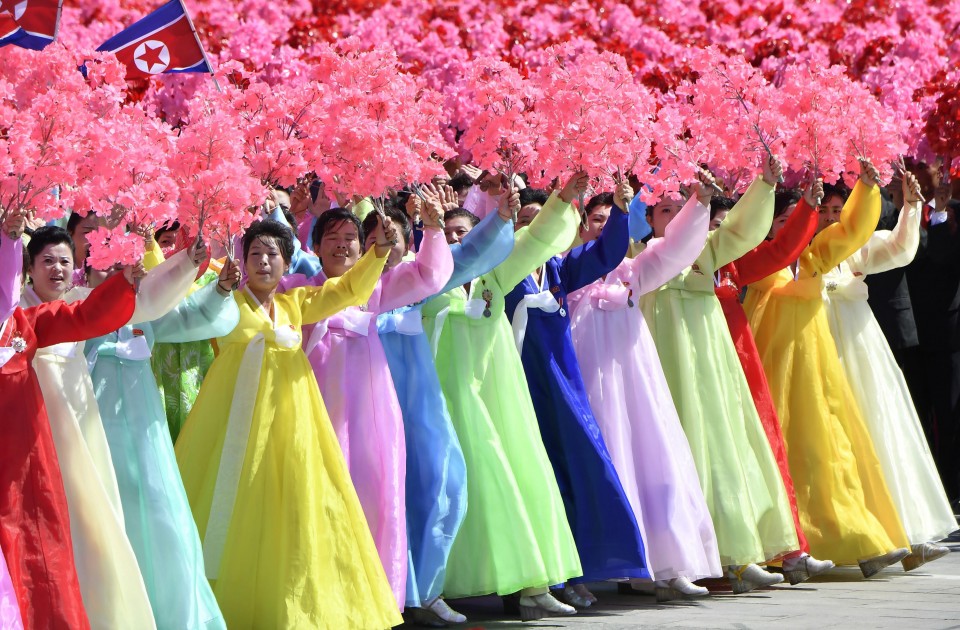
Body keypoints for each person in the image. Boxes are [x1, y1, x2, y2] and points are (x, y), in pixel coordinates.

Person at [175, 220, 401, 629]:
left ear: (286, 262)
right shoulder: (225, 302)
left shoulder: (295, 303)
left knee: (294, 503)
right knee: (233, 500)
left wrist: (379, 253)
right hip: (233, 422)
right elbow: (183, 312)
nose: (263, 262)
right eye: (255, 254)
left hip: (292, 423)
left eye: (272, 255)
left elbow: (348, 290)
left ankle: (287, 603)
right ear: (242, 261)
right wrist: (209, 281)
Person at [422, 175, 585, 621]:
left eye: (465, 232)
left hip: (498, 398)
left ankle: (532, 585)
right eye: (447, 234)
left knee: (520, 483)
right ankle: (434, 589)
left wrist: (562, 199)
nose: (458, 241)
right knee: (451, 492)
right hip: (445, 400)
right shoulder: (425, 281)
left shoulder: (495, 275)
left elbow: (536, 242)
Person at [280, 197, 453, 610]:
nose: (342, 245)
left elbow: (429, 276)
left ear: (364, 248)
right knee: (315, 500)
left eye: (350, 238)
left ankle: (371, 599)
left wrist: (432, 230)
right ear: (315, 246)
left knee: (374, 498)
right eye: (332, 237)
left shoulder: (376, 288)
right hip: (313, 410)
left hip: (370, 417)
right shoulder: (296, 289)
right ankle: (316, 599)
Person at [642, 156, 801, 593]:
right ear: (649, 218)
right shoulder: (639, 255)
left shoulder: (707, 248)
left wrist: (764, 185)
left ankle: (737, 554)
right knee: (673, 450)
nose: (675, 217)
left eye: (681, 208)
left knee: (723, 443)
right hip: (661, 358)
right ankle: (673, 562)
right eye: (665, 210)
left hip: (708, 360)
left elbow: (742, 231)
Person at [746, 159, 912, 577]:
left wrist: (867, 189)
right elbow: (778, 267)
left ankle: (862, 541)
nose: (792, 227)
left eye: (797, 219)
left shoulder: (813, 258)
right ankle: (783, 547)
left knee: (833, 451)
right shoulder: (758, 260)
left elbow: (851, 231)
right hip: (773, 370)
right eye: (783, 220)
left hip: (815, 370)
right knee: (783, 456)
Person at [568, 177, 723, 602]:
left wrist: (699, 202)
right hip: (586, 379)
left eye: (612, 220)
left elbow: (677, 248)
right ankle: (581, 570)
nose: (604, 228)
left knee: (655, 463)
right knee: (594, 467)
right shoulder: (566, 268)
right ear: (580, 226)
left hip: (635, 382)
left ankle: (667, 567)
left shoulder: (634, 269)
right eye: (597, 220)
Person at [504, 181, 648, 608]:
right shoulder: (504, 267)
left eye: (542, 221)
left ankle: (574, 570)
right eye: (525, 222)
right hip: (517, 381)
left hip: (562, 385)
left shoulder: (559, 268)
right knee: (530, 477)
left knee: (578, 469)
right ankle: (533, 578)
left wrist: (619, 210)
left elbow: (606, 253)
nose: (536, 230)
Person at [377, 188, 517, 626]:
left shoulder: (414, 282)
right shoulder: (343, 288)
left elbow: (469, 256)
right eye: (376, 237)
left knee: (442, 481)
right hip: (365, 404)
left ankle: (424, 589)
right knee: (380, 491)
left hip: (418, 403)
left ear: (408, 244)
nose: (386, 245)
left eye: (394, 238)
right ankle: (384, 593)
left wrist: (499, 218)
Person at [0, 210, 139, 630]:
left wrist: (123, 281)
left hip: (20, 468)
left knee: (33, 548)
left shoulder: (22, 326)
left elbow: (83, 316)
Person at [822, 171, 955, 568]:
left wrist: (911, 206)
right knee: (839, 439)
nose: (830, 217)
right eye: (823, 210)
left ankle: (908, 533)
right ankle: (864, 541)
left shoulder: (855, 246)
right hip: (817, 342)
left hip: (861, 344)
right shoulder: (800, 249)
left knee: (882, 428)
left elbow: (898, 248)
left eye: (837, 210)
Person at [714, 183, 836, 584]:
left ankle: (791, 551)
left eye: (724, 226)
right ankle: (733, 558)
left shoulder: (733, 266)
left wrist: (807, 206)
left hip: (741, 362)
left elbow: (781, 252)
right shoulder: (673, 263)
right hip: (696, 368)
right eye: (712, 225)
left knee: (764, 449)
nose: (719, 234)